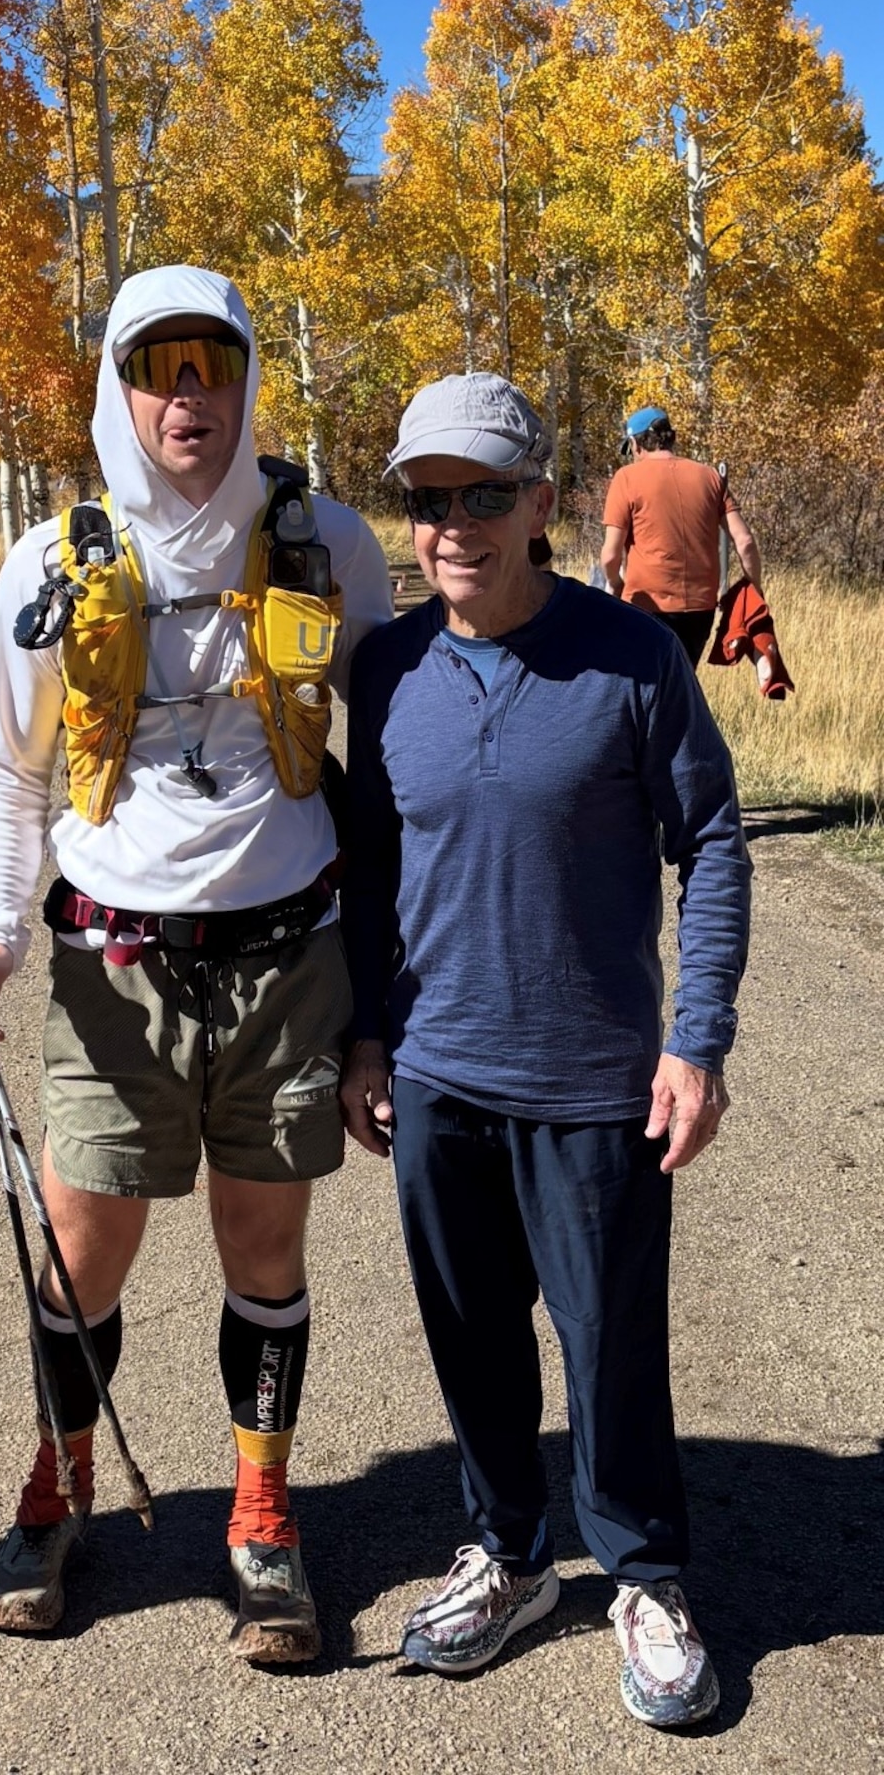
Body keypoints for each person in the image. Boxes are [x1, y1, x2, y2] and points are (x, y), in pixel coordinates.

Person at [0, 263, 393, 1660]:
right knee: (82, 1255)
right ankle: (57, 1486)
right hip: (113, 970)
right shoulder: (47, 563)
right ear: (117, 387)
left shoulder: (330, 544)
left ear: (249, 377)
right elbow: (10, 773)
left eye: (213, 362)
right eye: (155, 364)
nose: (187, 394)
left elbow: (396, 760)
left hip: (286, 960)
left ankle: (262, 1513)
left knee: (264, 1246)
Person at [339, 371, 750, 1726]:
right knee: (469, 1340)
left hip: (592, 1081)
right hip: (435, 1072)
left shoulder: (630, 658)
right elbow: (368, 864)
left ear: (541, 503)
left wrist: (695, 1039)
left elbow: (714, 842)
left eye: (483, 494)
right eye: (426, 499)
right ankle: (508, 1553)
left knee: (609, 1344)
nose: (451, 524)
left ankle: (642, 1572)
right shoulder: (385, 669)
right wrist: (364, 1033)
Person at [600, 405, 762, 668]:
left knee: (645, 682)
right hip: (700, 609)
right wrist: (754, 589)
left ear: (636, 444)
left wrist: (615, 584)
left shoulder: (626, 478)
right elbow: (745, 542)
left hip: (645, 605)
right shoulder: (710, 476)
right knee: (681, 681)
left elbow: (610, 556)